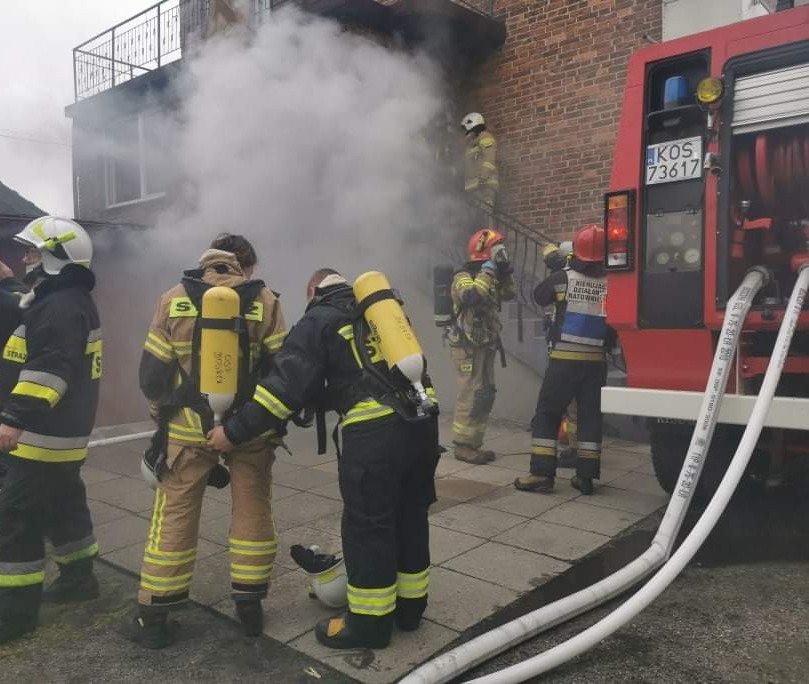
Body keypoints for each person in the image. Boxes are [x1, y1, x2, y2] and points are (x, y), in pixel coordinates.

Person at [208, 268, 440, 650]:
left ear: (313, 290)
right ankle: (410, 609)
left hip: (374, 436)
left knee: (369, 526)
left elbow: (279, 394)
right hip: (421, 425)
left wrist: (230, 433)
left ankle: (368, 624)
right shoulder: (381, 309)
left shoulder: (318, 319)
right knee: (410, 515)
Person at [127, 234, 287, 648]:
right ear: (240, 265)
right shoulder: (265, 300)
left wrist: (162, 419)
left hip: (186, 430)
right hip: (248, 432)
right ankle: (250, 608)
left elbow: (151, 376)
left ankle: (155, 615)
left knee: (175, 513)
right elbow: (281, 370)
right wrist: (255, 421)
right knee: (252, 508)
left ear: (204, 263)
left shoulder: (172, 298)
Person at [0, 216, 101, 644]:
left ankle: (14, 616)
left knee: (15, 519)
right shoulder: (63, 299)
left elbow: (49, 371)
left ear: (56, 257)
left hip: (40, 436)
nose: (26, 258)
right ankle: (80, 579)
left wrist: (12, 420)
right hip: (61, 435)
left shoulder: (59, 306)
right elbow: (25, 310)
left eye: (34, 251)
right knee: (63, 504)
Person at [515, 224, 613, 495]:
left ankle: (542, 475)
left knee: (548, 414)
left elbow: (539, 296)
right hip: (596, 363)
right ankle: (586, 477)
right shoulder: (613, 283)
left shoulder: (562, 278)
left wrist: (559, 268)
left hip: (564, 360)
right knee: (590, 418)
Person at [448, 228, 514, 464]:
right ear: (484, 252)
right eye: (497, 249)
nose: (501, 253)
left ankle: (474, 443)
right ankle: (463, 446)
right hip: (467, 347)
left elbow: (509, 294)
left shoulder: (492, 276)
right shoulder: (462, 276)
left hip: (485, 344)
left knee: (486, 392)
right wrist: (489, 269)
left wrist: (504, 273)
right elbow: (473, 297)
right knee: (471, 392)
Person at [461, 112, 499, 225]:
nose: (466, 133)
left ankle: (491, 242)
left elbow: (489, 157)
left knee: (486, 218)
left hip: (485, 186)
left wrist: (483, 177)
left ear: (473, 125)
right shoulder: (471, 145)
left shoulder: (485, 137)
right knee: (476, 222)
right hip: (474, 189)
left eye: (467, 129)